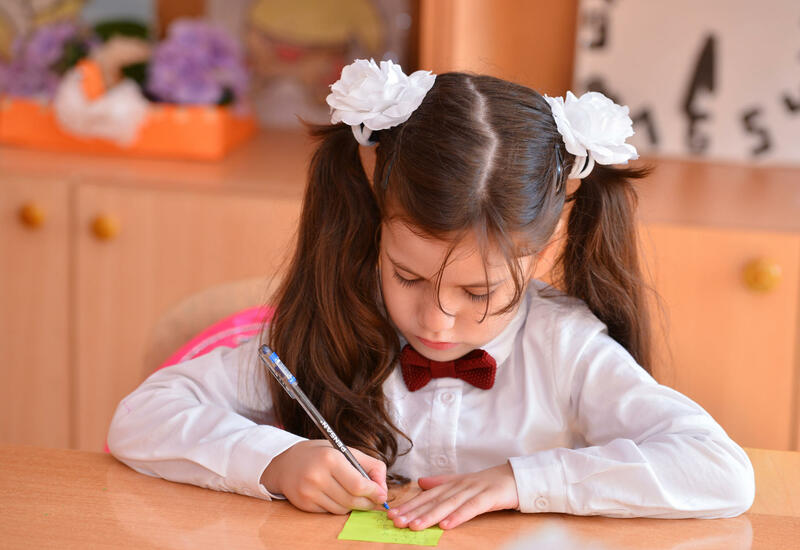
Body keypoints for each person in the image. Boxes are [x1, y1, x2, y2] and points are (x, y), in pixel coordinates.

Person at [108, 59, 755, 531]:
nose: (437, 320)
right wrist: (275, 459)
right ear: (378, 218)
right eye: (408, 277)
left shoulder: (565, 348)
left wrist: (520, 480)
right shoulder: (332, 320)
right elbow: (141, 416)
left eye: (479, 291)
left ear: (545, 243)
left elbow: (720, 470)